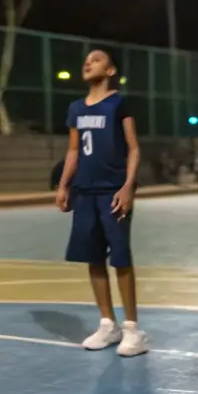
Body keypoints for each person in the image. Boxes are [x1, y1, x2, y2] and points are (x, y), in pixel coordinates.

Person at [55, 49, 147, 357]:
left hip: (112, 191)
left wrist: (128, 186)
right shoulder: (76, 109)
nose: (88, 62)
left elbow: (133, 148)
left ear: (110, 71)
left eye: (96, 59)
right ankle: (108, 324)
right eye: (86, 59)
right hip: (85, 192)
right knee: (92, 257)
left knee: (120, 258)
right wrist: (64, 184)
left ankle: (133, 330)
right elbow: (73, 151)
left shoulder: (119, 103)